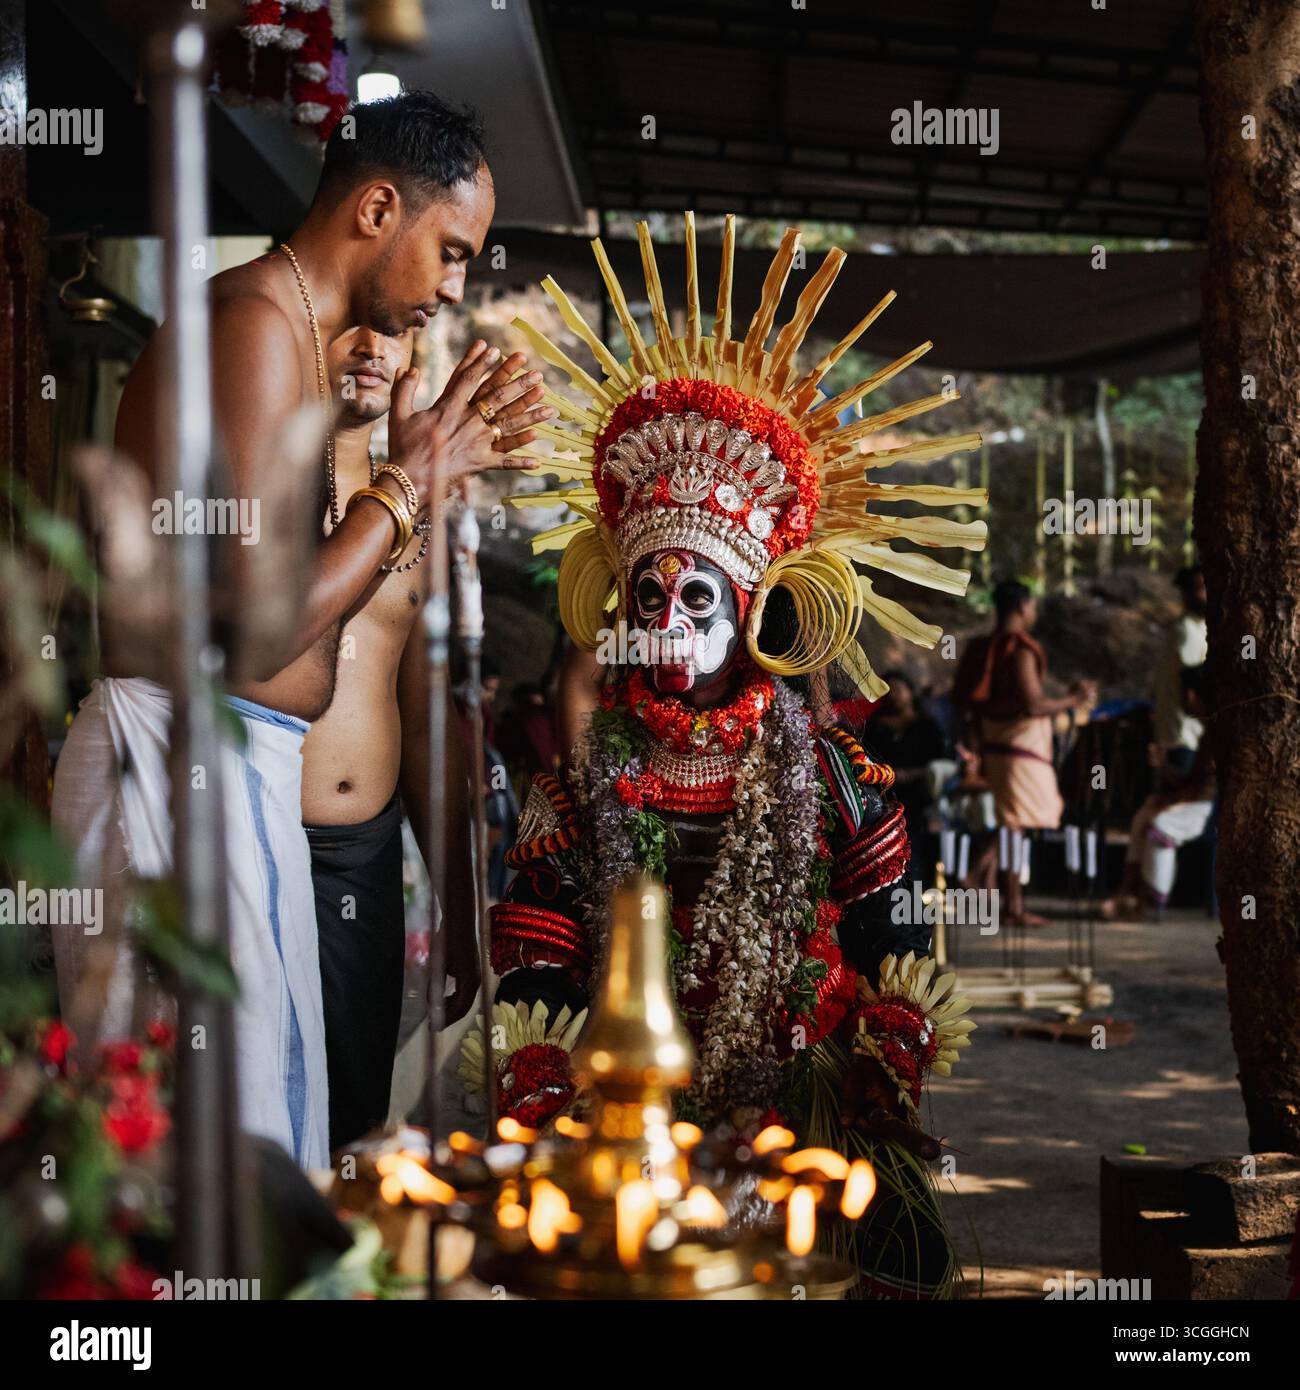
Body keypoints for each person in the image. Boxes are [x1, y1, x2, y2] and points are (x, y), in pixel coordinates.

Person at [460, 216, 980, 1298]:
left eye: (697, 597)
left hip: (798, 1101)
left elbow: (894, 937)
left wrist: (885, 1049)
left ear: (749, 608)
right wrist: (546, 1076)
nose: (670, 620)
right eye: (648, 595)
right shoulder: (575, 787)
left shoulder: (830, 770)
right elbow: (537, 960)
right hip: (628, 1115)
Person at [51, 93, 544, 1167]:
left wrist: (412, 477)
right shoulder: (253, 327)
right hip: (186, 761)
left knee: (265, 1163)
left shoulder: (296, 345)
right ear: (377, 207)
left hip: (236, 771)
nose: (452, 288)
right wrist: (408, 488)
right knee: (202, 1180)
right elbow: (251, 628)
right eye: (450, 252)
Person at [301, 323, 530, 1148]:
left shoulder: (420, 516)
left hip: (362, 857)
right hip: (261, 845)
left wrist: (464, 913)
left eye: (395, 333)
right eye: (351, 323)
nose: (370, 346)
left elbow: (431, 709)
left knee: (353, 1124)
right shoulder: (265, 478)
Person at [952, 580, 1096, 927]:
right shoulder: (1019, 649)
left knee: (1010, 821)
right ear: (1021, 607)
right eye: (1031, 606)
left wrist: (973, 742)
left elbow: (963, 702)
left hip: (995, 742)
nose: (1033, 613)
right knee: (1015, 824)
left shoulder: (979, 647)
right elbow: (1032, 704)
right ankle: (1008, 903)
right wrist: (1075, 700)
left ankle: (983, 883)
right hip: (1019, 746)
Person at [1102, 666, 1216, 918]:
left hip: (1208, 809)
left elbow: (1205, 784)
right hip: (1195, 800)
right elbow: (1190, 780)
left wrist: (1176, 799)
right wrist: (1162, 767)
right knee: (1144, 814)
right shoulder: (1209, 731)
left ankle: (1150, 903)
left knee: (1160, 825)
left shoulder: (1219, 731)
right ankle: (1126, 892)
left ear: (1191, 695)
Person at [861, 669, 948, 883]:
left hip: (919, 801)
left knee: (918, 853)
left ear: (910, 692)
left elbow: (940, 762)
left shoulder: (926, 727)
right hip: (885, 799)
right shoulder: (873, 726)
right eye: (888, 690)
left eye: (899, 689)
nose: (893, 695)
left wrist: (911, 774)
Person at [1151, 565, 1208, 776]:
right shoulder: (1187, 632)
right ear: (1187, 594)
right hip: (1186, 737)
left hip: (1188, 736)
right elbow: (1191, 692)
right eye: (1201, 588)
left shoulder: (1199, 628)